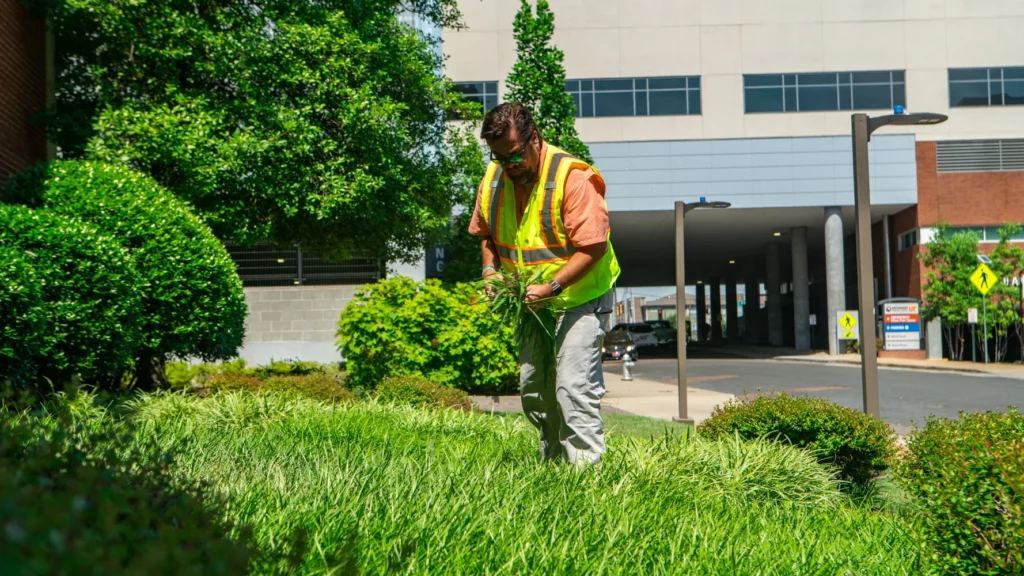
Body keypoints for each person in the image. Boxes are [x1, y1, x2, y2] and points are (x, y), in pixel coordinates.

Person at [469, 103, 620, 465]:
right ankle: (552, 469)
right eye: (500, 157)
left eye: (516, 155)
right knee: (535, 391)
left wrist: (551, 288)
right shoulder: (494, 179)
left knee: (573, 387)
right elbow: (486, 235)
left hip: (579, 299)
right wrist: (491, 272)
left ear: (534, 138)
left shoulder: (573, 178)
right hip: (530, 303)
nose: (509, 165)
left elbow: (594, 246)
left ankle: (589, 479)